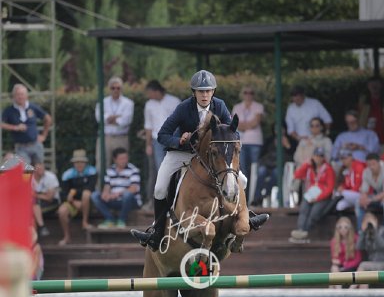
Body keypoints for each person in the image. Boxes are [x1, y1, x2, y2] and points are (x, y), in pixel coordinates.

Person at [132, 70, 268, 251]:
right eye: (201, 91)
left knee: (241, 180)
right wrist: (179, 140)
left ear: (213, 92)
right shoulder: (183, 108)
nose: (204, 95)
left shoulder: (219, 105)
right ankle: (156, 233)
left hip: (209, 155)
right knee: (159, 188)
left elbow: (232, 131)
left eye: (208, 91)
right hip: (182, 153)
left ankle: (247, 215)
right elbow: (162, 135)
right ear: (194, 92)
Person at [143, 80, 181, 208]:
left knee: (174, 168)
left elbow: (180, 122)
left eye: (149, 92)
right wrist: (148, 145)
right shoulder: (149, 104)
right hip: (157, 140)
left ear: (156, 91)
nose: (148, 95)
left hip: (172, 139)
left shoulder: (174, 101)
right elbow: (148, 126)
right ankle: (160, 200)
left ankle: (174, 198)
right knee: (160, 169)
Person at [289, 146, 335, 242]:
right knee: (303, 209)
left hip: (323, 196)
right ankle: (300, 229)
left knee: (314, 213)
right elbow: (297, 175)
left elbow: (330, 188)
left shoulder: (328, 169)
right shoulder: (309, 167)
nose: (318, 158)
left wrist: (318, 198)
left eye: (320, 156)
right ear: (313, 156)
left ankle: (305, 232)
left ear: (323, 158)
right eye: (316, 156)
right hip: (311, 194)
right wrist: (306, 165)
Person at [91, 147, 142, 228]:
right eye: (121, 159)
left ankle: (121, 220)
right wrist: (105, 194)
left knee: (127, 195)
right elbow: (107, 186)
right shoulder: (110, 170)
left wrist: (116, 194)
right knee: (95, 195)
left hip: (130, 202)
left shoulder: (133, 170)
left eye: (125, 158)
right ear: (115, 160)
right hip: (115, 200)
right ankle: (109, 219)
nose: (124, 160)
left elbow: (133, 188)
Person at [1, 83, 52, 165]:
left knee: (39, 168)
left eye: (22, 94)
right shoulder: (9, 110)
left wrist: (44, 135)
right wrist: (15, 127)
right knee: (26, 169)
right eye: (18, 94)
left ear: (26, 95)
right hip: (21, 147)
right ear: (13, 96)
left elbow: (47, 118)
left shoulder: (33, 107)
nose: (20, 97)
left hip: (36, 144)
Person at [232, 86, 265, 202]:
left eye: (251, 92)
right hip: (241, 142)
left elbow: (256, 122)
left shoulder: (258, 106)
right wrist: (247, 125)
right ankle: (244, 197)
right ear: (242, 94)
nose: (248, 95)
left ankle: (255, 197)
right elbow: (235, 124)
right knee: (243, 170)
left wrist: (243, 125)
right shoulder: (237, 107)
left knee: (255, 171)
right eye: (246, 92)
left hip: (255, 142)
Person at [58, 149, 97, 245]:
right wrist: (73, 202)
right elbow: (64, 193)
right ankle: (67, 237)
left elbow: (90, 188)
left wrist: (75, 195)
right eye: (77, 162)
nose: (79, 164)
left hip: (89, 203)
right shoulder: (67, 174)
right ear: (73, 163)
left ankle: (85, 222)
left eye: (81, 162)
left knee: (86, 194)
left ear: (85, 163)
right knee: (62, 211)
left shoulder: (92, 172)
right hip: (72, 202)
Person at [95, 76, 134, 168]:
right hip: (105, 138)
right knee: (102, 164)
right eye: (113, 88)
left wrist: (109, 119)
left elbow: (126, 120)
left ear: (121, 89)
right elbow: (99, 119)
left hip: (121, 137)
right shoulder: (102, 102)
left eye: (118, 88)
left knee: (122, 164)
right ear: (109, 89)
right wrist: (117, 117)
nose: (115, 90)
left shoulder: (128, 103)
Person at [355, 152, 384, 232]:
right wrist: (364, 198)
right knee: (358, 202)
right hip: (379, 197)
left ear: (379, 163)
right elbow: (364, 190)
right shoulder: (366, 172)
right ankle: (361, 231)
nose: (371, 167)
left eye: (373, 164)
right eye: (369, 164)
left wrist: (371, 200)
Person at [358, 76, 384, 145]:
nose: (374, 87)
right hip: (367, 139)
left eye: (376, 85)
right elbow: (359, 117)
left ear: (381, 85)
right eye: (371, 85)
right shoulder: (363, 100)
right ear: (368, 86)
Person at [31, 161, 60, 238]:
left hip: (52, 203)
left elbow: (49, 198)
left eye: (42, 167)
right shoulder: (29, 178)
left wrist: (35, 195)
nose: (41, 169)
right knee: (32, 210)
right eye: (38, 168)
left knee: (33, 208)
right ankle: (41, 229)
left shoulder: (50, 177)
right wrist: (42, 195)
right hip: (36, 204)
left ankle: (36, 237)